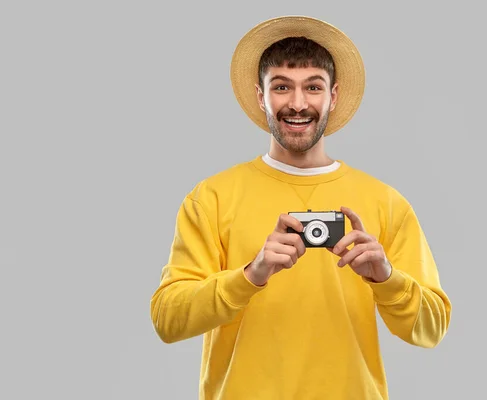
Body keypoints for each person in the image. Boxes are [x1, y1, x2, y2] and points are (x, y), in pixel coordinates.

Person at [150, 15, 452, 400]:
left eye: (313, 87)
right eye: (281, 87)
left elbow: (433, 328)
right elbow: (167, 320)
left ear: (333, 95)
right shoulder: (211, 198)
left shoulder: (385, 202)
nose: (297, 103)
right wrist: (250, 276)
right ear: (261, 96)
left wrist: (386, 278)